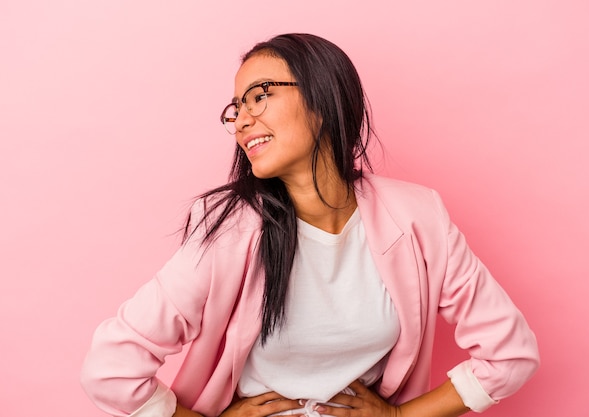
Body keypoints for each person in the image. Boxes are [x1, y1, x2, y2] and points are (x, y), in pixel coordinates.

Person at [81, 33, 539, 417]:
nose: (242, 120)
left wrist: (400, 416)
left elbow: (510, 355)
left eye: (259, 95)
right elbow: (111, 367)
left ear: (323, 96)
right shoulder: (229, 231)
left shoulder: (418, 215)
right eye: (235, 108)